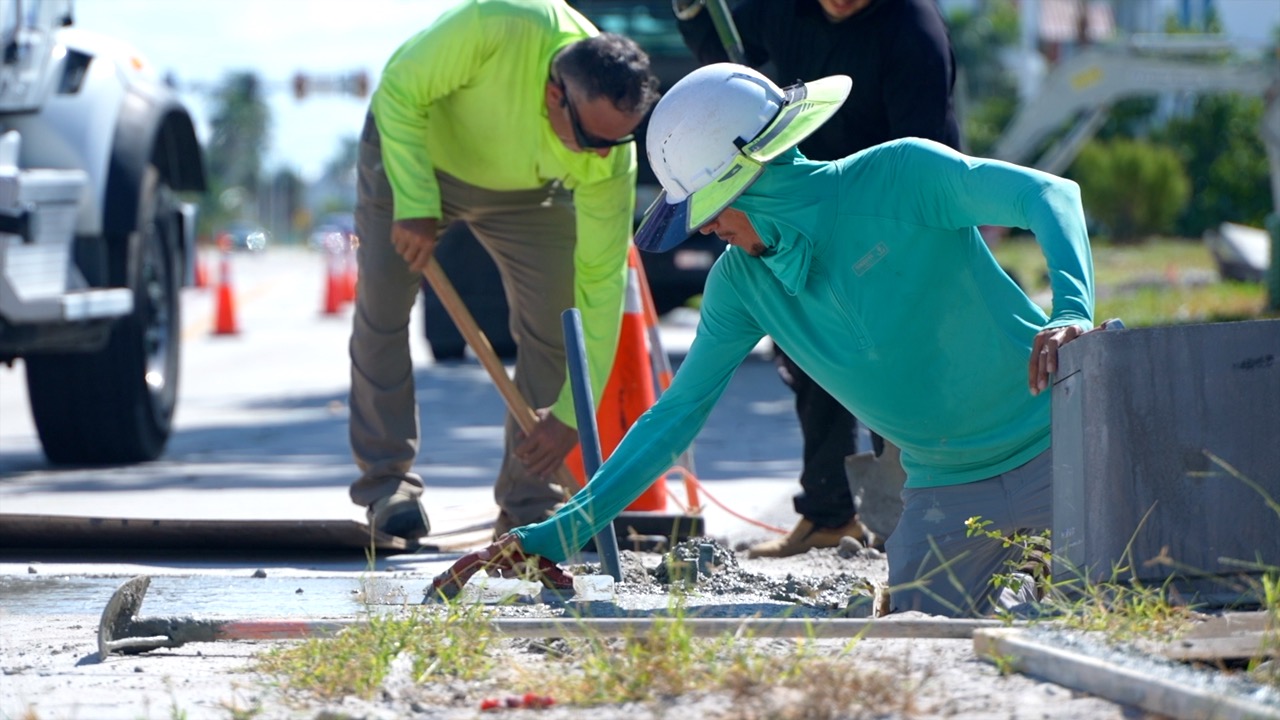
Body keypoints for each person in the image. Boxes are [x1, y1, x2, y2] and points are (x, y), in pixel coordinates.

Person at [432, 63, 1096, 618]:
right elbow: (675, 414)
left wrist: (1072, 311)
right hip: (948, 488)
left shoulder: (899, 178)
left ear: (753, 178)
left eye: (709, 207)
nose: (707, 228)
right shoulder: (743, 285)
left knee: (1139, 596)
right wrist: (561, 529)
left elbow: (1050, 194)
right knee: (917, 625)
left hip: (1065, 444)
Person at [348, 0, 660, 540]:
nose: (603, 155)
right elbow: (399, 85)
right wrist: (416, 201)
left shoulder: (609, 158)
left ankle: (529, 503)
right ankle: (386, 487)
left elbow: (601, 286)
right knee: (383, 308)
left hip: (526, 192)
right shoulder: (504, 21)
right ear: (554, 93)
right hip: (415, 156)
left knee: (560, 319)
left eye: (618, 141)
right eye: (591, 140)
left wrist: (567, 416)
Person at [673, 0, 963, 558]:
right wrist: (692, 17)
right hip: (799, 218)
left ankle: (924, 516)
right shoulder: (776, 11)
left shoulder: (913, 32)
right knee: (811, 366)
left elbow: (923, 159)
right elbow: (735, 77)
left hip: (886, 223)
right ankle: (828, 513)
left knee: (894, 371)